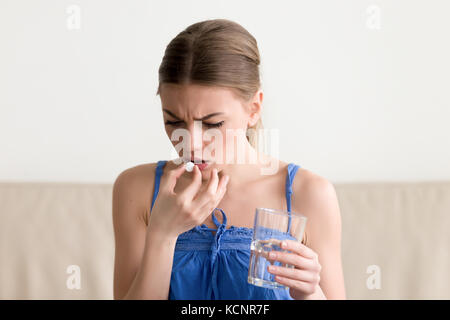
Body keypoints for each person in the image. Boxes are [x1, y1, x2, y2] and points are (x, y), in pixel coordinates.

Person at [112, 18, 346, 300]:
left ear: (254, 108)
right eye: (173, 121)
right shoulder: (138, 189)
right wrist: (162, 235)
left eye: (212, 124)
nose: (191, 143)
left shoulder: (308, 193)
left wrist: (309, 293)